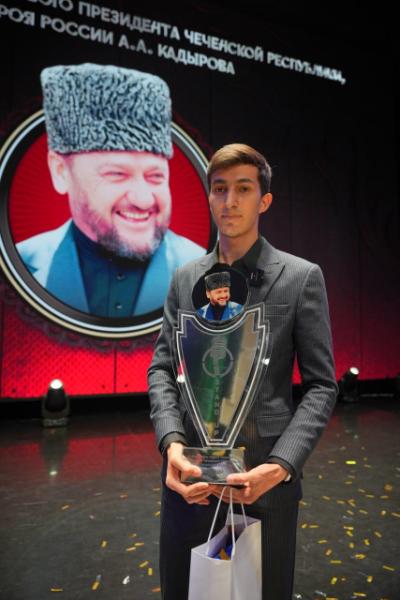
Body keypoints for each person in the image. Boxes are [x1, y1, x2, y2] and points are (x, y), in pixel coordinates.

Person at [148, 143, 338, 600]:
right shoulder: (184, 278)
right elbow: (161, 369)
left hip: (265, 486)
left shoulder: (300, 278)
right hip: (191, 483)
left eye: (243, 189)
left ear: (264, 200)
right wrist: (171, 445)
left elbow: (321, 386)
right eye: (220, 189)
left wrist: (280, 466)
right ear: (209, 197)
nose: (230, 201)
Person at [16, 63, 205, 317]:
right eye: (117, 174)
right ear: (61, 171)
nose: (143, 199)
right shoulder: (20, 263)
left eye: (155, 176)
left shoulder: (206, 272)